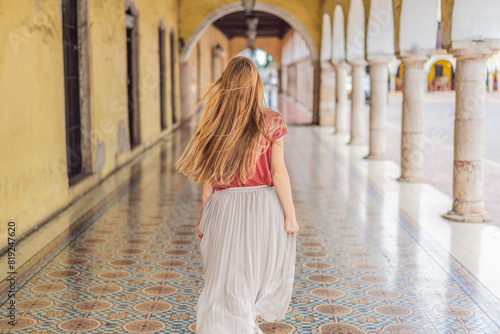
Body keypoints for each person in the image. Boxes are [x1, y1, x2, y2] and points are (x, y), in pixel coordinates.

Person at [176, 56, 298, 333]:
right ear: (256, 85)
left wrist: (203, 217)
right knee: (256, 279)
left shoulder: (214, 123)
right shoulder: (271, 121)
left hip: (223, 208)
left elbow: (208, 177)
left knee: (226, 281)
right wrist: (290, 215)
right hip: (263, 209)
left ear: (226, 84)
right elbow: (278, 172)